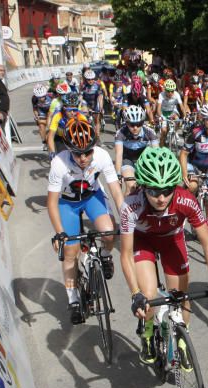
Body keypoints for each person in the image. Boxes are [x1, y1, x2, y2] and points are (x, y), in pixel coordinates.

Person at [120, 147, 208, 365]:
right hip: (144, 240)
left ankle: (183, 339)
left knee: (180, 296)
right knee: (149, 295)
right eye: (153, 191)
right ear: (142, 186)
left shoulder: (186, 200)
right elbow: (125, 254)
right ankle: (148, 333)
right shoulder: (131, 205)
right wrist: (135, 294)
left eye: (167, 190)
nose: (161, 198)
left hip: (172, 240)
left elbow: (207, 241)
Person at [47, 119, 125, 324]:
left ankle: (106, 256)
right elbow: (52, 202)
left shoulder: (101, 156)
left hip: (92, 197)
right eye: (77, 153)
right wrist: (59, 232)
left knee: (109, 232)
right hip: (67, 204)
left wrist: (125, 218)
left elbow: (115, 190)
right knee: (70, 252)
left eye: (87, 152)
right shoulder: (59, 163)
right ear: (68, 150)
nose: (83, 158)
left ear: (94, 147)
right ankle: (73, 299)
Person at [114, 105, 159, 194]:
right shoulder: (120, 133)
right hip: (127, 159)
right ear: (126, 123)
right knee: (131, 186)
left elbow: (156, 153)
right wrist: (118, 175)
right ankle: (125, 207)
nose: (135, 128)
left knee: (149, 186)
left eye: (139, 124)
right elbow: (119, 154)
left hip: (143, 159)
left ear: (143, 122)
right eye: (132, 124)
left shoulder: (149, 132)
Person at [47, 92, 90, 157]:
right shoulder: (57, 116)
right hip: (61, 139)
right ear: (64, 108)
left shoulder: (81, 116)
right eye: (69, 110)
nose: (72, 113)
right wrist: (52, 152)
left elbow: (87, 136)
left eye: (75, 110)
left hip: (75, 138)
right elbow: (50, 136)